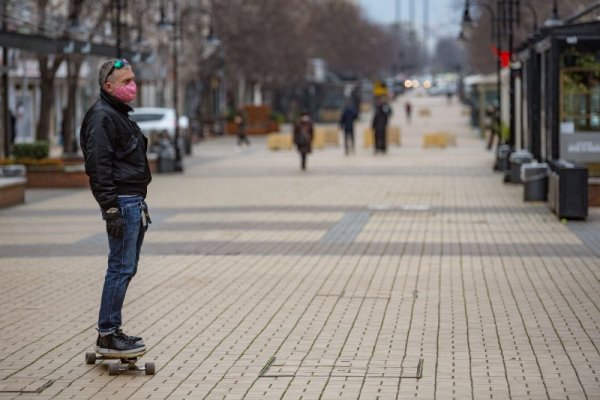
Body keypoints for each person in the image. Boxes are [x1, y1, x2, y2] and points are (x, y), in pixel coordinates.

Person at [80, 58, 151, 355]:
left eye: (133, 79)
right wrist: (110, 209)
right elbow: (98, 167)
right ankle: (108, 334)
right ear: (108, 86)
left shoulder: (117, 113)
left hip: (133, 201)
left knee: (126, 268)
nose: (132, 85)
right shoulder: (102, 117)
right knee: (120, 268)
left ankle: (112, 329)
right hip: (122, 203)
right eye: (126, 81)